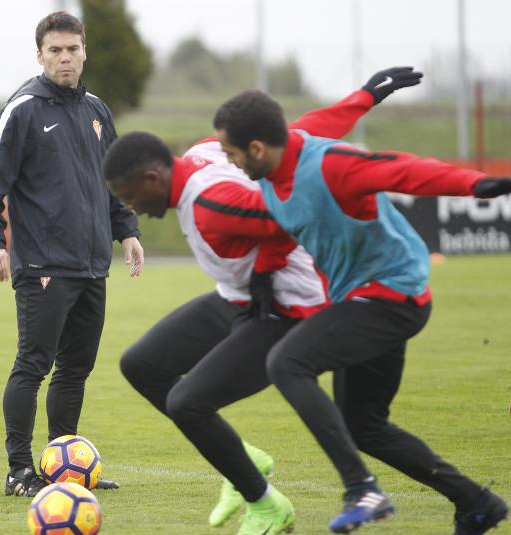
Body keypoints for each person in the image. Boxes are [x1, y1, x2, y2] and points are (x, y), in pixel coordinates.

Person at [212, 66, 511, 534]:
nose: (228, 161)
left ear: (256, 148)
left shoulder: (330, 167)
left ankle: (361, 489)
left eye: (230, 153)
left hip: (393, 294)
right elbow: (327, 119)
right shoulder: (275, 158)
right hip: (360, 299)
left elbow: (404, 170)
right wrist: (369, 93)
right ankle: (476, 503)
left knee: (287, 363)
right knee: (362, 425)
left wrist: (476, 185)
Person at [104, 130, 334, 534]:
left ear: (152, 180)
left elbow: (294, 211)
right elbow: (289, 131)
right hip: (240, 297)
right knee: (141, 365)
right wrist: (364, 98)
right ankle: (242, 460)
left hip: (287, 306)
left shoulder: (210, 202)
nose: (129, 208)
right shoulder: (205, 151)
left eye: (128, 197)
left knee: (187, 403)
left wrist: (265, 270)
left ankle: (266, 505)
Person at [0, 12, 143, 498]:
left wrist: (126, 231)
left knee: (76, 369)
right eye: (55, 51)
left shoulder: (96, 109)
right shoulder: (21, 109)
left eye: (72, 49)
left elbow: (112, 183)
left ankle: (64, 467)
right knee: (33, 365)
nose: (65, 58)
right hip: (42, 265)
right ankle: (19, 470)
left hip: (90, 264)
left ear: (84, 51)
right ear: (40, 55)